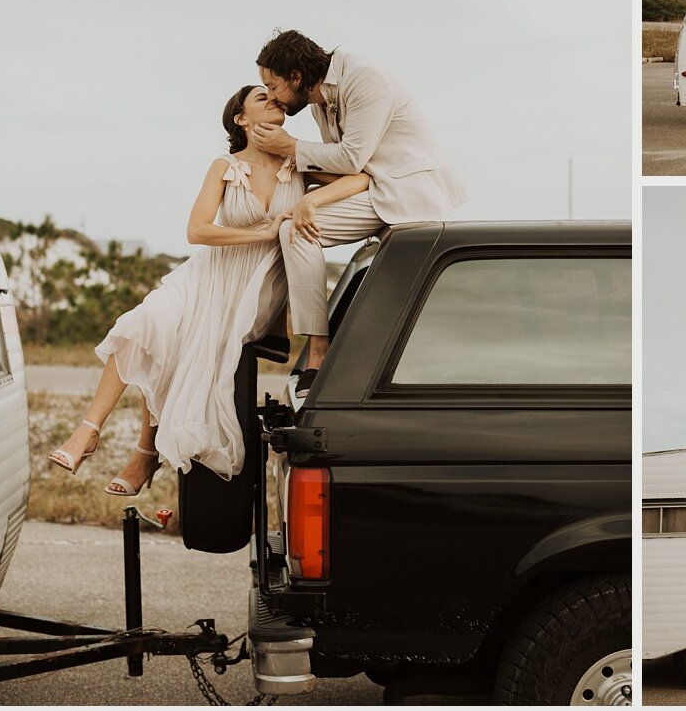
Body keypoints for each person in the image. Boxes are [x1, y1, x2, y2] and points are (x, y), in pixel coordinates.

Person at [48, 86, 369, 493]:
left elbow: (359, 179)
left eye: (276, 98)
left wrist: (313, 200)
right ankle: (89, 431)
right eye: (261, 97)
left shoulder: (298, 163)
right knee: (145, 323)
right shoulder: (224, 165)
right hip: (206, 274)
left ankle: (145, 453)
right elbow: (197, 230)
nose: (274, 100)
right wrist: (262, 231)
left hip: (257, 284)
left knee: (189, 339)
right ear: (241, 119)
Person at [251, 30, 468, 397]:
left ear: (297, 77)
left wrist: (289, 148)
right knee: (292, 230)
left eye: (273, 86)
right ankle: (306, 345)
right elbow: (348, 169)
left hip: (410, 193)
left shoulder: (365, 78)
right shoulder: (320, 101)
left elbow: (352, 158)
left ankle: (321, 355)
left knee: (298, 230)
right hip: (375, 188)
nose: (271, 96)